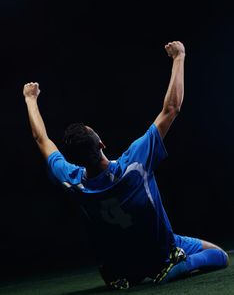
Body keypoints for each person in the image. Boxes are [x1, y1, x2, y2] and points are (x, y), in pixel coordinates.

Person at [23, 41, 228, 290]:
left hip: (123, 265)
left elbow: (41, 139)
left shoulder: (72, 180)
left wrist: (30, 98)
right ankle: (175, 264)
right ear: (102, 144)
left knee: (119, 254)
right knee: (219, 255)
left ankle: (119, 273)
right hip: (160, 251)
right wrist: (179, 57)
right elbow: (171, 108)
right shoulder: (134, 164)